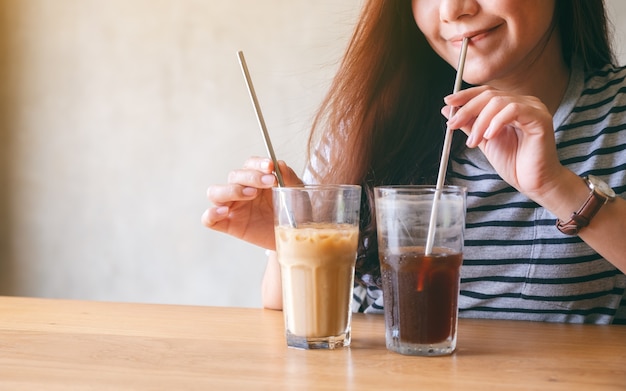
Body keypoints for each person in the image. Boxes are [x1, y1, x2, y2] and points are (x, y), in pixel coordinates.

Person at [203, 0, 626, 324]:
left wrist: (555, 187)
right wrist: (292, 240)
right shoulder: (371, 123)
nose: (454, 10)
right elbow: (286, 317)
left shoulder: (618, 109)